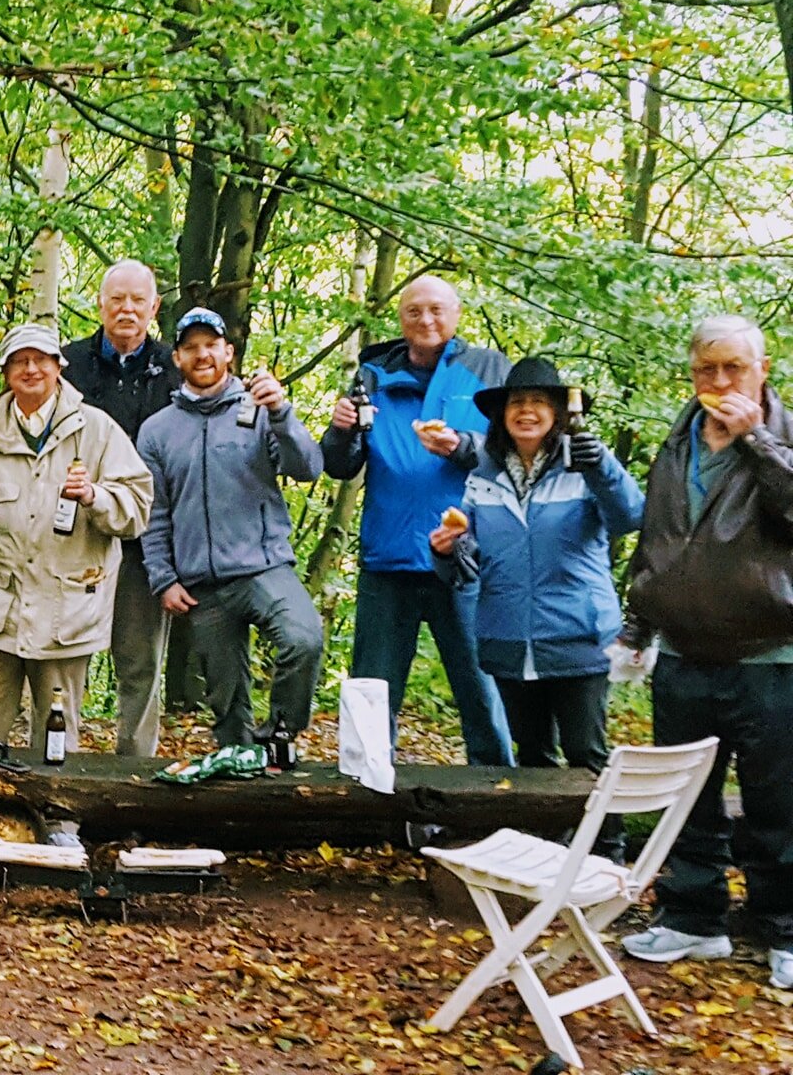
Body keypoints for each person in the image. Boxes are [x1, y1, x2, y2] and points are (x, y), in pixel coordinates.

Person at [617, 316, 793, 989]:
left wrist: (757, 441)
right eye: (706, 370)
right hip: (685, 654)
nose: (720, 383)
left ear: (761, 369)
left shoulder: (782, 433)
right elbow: (658, 538)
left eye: (734, 368)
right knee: (685, 798)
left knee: (778, 803)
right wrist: (638, 624)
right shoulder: (677, 438)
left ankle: (784, 926)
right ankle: (694, 918)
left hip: (771, 655)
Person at [0, 323, 152, 846]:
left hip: (65, 610)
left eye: (41, 360)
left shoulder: (97, 431)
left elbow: (138, 510)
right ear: (6, 374)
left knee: (57, 729)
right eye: (19, 362)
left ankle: (58, 820)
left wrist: (96, 495)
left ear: (59, 367)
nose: (30, 370)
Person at [320, 275, 514, 765]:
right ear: (401, 319)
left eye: (436, 310)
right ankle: (364, 793)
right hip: (388, 557)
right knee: (371, 692)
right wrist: (341, 431)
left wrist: (464, 447)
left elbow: (522, 453)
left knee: (482, 689)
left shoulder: (488, 369)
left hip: (467, 558)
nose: (426, 321)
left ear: (456, 314)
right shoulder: (372, 376)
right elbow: (340, 465)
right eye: (414, 311)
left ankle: (498, 794)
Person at [429, 357, 641, 777]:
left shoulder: (585, 464)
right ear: (501, 415)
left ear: (558, 413)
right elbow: (466, 569)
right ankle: (543, 841)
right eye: (517, 402)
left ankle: (606, 844)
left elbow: (630, 517)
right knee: (532, 760)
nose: (527, 411)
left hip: (577, 637)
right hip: (506, 638)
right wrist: (445, 552)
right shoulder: (482, 475)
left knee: (586, 755)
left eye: (539, 402)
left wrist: (602, 467)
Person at [137, 309, 324, 749]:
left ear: (229, 352)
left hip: (263, 567)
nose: (202, 355)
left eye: (211, 345)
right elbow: (154, 512)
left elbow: (308, 467)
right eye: (191, 348)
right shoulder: (156, 432)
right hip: (202, 586)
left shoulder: (260, 411)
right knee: (226, 707)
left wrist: (280, 411)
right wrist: (163, 579)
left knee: (303, 638)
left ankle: (280, 733)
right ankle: (237, 784)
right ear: (177, 358)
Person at [62, 261, 182, 754]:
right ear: (101, 304)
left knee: (140, 662)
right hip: (74, 535)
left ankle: (135, 773)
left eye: (138, 300)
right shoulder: (68, 365)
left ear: (154, 307)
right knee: (64, 658)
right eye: (117, 299)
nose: (127, 309)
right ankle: (58, 766)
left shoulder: (175, 370)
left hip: (146, 539)